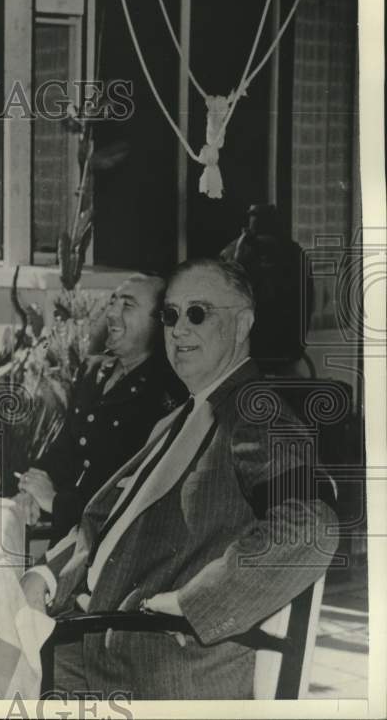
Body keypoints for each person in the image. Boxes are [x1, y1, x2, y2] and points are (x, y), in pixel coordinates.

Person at [21, 258, 338, 699]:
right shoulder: (178, 417)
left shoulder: (256, 415)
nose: (178, 329)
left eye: (198, 313)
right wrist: (48, 574)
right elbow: (106, 520)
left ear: (243, 323)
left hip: (154, 668)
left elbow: (310, 525)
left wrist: (196, 603)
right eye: (170, 315)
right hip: (93, 642)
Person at [17, 274, 187, 547]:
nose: (112, 313)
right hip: (68, 538)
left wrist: (55, 503)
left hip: (108, 546)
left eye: (128, 305)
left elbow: (132, 495)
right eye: (112, 302)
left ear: (159, 321)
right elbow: (64, 449)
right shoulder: (94, 370)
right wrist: (30, 487)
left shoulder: (166, 394)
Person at [220, 203, 313, 374]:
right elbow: (306, 302)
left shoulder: (233, 251)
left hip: (253, 346)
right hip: (280, 346)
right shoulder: (294, 253)